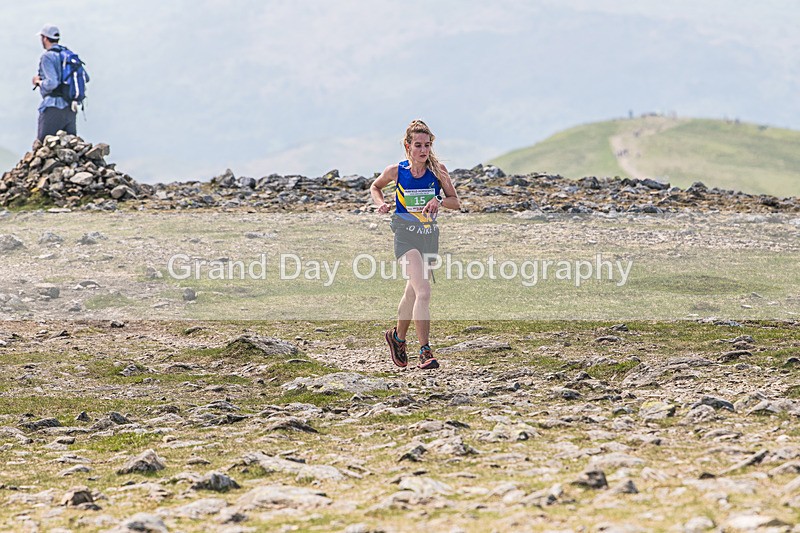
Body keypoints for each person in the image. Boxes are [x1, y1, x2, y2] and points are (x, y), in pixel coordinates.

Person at [370, 119, 460, 370]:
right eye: (418, 145)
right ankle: (425, 351)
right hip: (405, 236)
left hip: (428, 238)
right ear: (407, 146)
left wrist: (439, 201)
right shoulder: (396, 171)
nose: (423, 150)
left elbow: (455, 201)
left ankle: (397, 338)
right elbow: (375, 187)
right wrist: (380, 204)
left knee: (412, 292)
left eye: (427, 145)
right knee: (424, 292)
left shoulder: (438, 171)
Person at [32, 24, 83, 142]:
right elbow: (86, 77)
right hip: (70, 107)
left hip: (52, 107)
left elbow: (52, 83)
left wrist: (39, 82)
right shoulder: (67, 55)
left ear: (45, 38)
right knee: (70, 146)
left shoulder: (47, 57)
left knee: (44, 146)